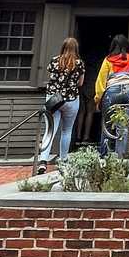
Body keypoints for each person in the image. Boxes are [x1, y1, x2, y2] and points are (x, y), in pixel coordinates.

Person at [39, 36, 84, 170]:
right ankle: (63, 160)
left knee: (50, 131)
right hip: (71, 99)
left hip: (54, 99)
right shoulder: (79, 63)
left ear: (63, 47)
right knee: (66, 131)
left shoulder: (54, 61)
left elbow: (51, 78)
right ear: (76, 48)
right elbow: (80, 83)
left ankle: (43, 161)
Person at [95, 34, 129, 158]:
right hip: (128, 92)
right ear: (127, 45)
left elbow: (101, 80)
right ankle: (119, 156)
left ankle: (104, 156)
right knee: (123, 127)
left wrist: (98, 98)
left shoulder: (108, 60)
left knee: (107, 125)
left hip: (112, 92)